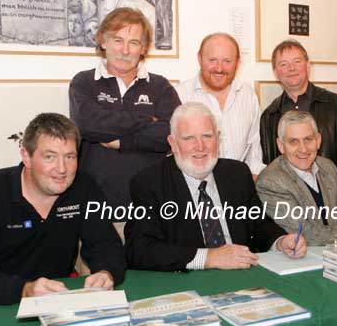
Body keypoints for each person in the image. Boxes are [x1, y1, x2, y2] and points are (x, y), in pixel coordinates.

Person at [125, 103, 306, 271]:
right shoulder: (149, 183)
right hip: (186, 282)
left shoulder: (238, 173)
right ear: (173, 143)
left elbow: (259, 225)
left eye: (207, 136)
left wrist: (281, 241)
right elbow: (139, 250)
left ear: (218, 139)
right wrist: (209, 257)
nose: (200, 146)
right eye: (189, 138)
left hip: (244, 278)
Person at [0, 113, 126, 305]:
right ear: (26, 156)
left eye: (69, 157)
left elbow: (106, 246)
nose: (62, 168)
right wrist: (25, 290)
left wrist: (106, 272)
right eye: (50, 157)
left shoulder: (84, 186)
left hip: (58, 304)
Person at [69, 7, 180, 210]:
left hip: (152, 208)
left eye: (134, 42)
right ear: (103, 41)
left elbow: (173, 133)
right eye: (118, 40)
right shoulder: (84, 82)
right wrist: (146, 121)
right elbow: (88, 124)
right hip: (97, 208)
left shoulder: (161, 86)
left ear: (144, 48)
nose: (125, 50)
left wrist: (123, 142)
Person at [257, 111, 337, 246]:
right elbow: (308, 234)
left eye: (308, 139)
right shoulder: (270, 181)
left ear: (318, 140)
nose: (303, 149)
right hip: (302, 260)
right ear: (281, 145)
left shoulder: (328, 167)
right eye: (293, 141)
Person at [260, 39, 337, 200]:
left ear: (308, 66)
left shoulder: (336, 105)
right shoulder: (269, 115)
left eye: (297, 61)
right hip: (290, 205)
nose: (291, 68)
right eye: (283, 64)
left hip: (332, 202)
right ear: (276, 72)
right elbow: (270, 164)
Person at [175, 33, 265, 179]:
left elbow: (254, 150)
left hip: (238, 189)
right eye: (212, 60)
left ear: (238, 62)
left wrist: (249, 186)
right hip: (194, 190)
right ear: (199, 58)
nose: (219, 68)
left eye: (227, 61)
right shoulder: (179, 96)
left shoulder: (248, 95)